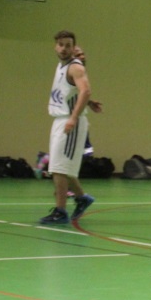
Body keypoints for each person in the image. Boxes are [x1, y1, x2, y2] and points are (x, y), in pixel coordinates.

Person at [39, 31, 97, 225]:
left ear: (74, 47)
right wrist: (90, 103)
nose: (64, 48)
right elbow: (73, 91)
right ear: (55, 46)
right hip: (60, 119)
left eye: (68, 45)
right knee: (61, 166)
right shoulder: (62, 65)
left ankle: (61, 211)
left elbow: (85, 90)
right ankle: (82, 198)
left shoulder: (75, 67)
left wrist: (73, 117)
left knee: (58, 168)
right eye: (61, 44)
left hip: (70, 121)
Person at [72, 45, 103, 156]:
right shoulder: (70, 73)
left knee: (85, 153)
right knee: (69, 155)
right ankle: (43, 162)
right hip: (71, 120)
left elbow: (75, 95)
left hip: (80, 119)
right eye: (78, 55)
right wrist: (73, 118)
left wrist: (89, 102)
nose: (82, 57)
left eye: (82, 54)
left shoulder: (80, 73)